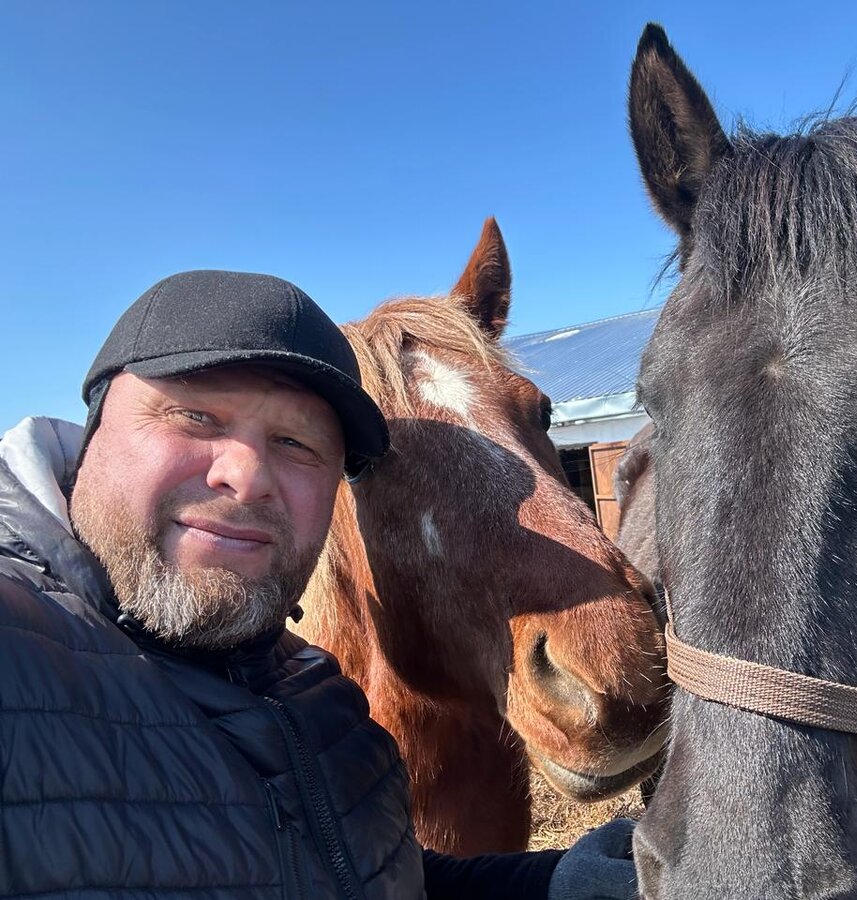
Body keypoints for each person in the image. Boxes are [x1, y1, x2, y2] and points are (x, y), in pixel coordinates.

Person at [0, 269, 638, 900]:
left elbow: (372, 876)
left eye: (297, 443)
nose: (246, 475)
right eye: (194, 415)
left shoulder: (318, 697)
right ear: (95, 422)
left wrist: (560, 882)